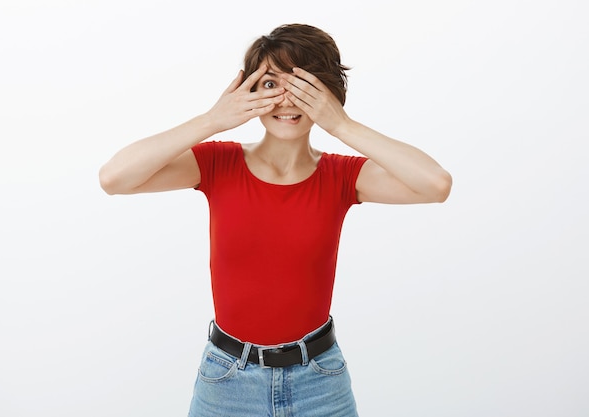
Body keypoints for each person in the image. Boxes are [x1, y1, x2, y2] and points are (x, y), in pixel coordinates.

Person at [99, 23, 451, 417]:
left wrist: (342, 125)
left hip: (320, 381)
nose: (287, 100)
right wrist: (213, 119)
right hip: (226, 382)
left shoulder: (341, 176)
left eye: (304, 85)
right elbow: (115, 178)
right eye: (270, 84)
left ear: (328, 94)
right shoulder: (218, 164)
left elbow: (435, 184)